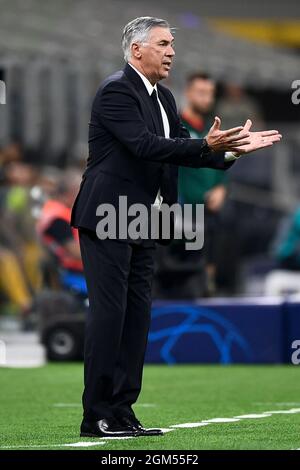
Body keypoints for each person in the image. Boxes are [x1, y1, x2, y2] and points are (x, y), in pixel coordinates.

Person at [71, 16, 281, 438]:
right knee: (111, 315)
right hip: (109, 217)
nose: (171, 52)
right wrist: (205, 144)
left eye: (172, 45)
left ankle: (123, 410)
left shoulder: (164, 97)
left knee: (137, 318)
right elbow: (145, 147)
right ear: (137, 50)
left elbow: (184, 152)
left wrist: (231, 152)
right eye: (164, 44)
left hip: (148, 218)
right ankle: (96, 415)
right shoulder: (116, 90)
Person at [178, 72, 228, 295]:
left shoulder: (213, 128)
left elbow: (220, 171)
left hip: (210, 214)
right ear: (188, 93)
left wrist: (221, 188)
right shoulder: (175, 126)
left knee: (209, 269)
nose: (206, 98)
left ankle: (208, 292)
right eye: (201, 92)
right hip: (185, 214)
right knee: (187, 274)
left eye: (210, 93)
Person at [36, 169, 87, 295]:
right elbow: (74, 251)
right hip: (71, 273)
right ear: (72, 191)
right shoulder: (58, 217)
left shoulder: (63, 211)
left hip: (79, 271)